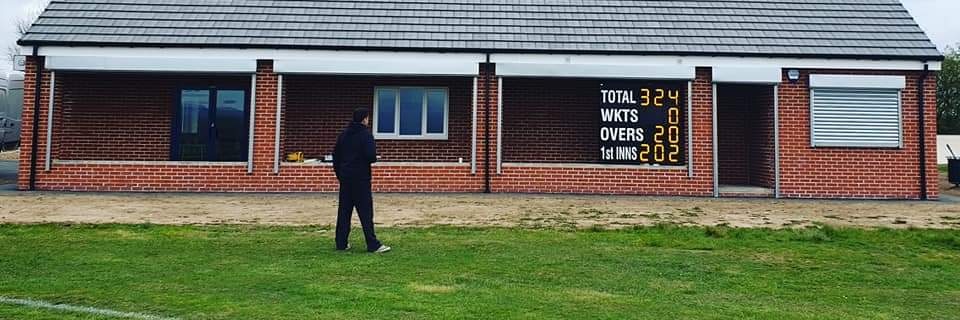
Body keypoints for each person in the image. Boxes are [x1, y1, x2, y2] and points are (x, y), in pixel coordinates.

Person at [333, 108, 391, 253]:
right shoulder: (365, 135)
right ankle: (372, 244)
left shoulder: (344, 134)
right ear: (365, 119)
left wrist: (340, 174)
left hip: (345, 178)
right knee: (365, 212)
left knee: (344, 211)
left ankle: (341, 243)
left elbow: (336, 156)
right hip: (361, 179)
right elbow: (371, 156)